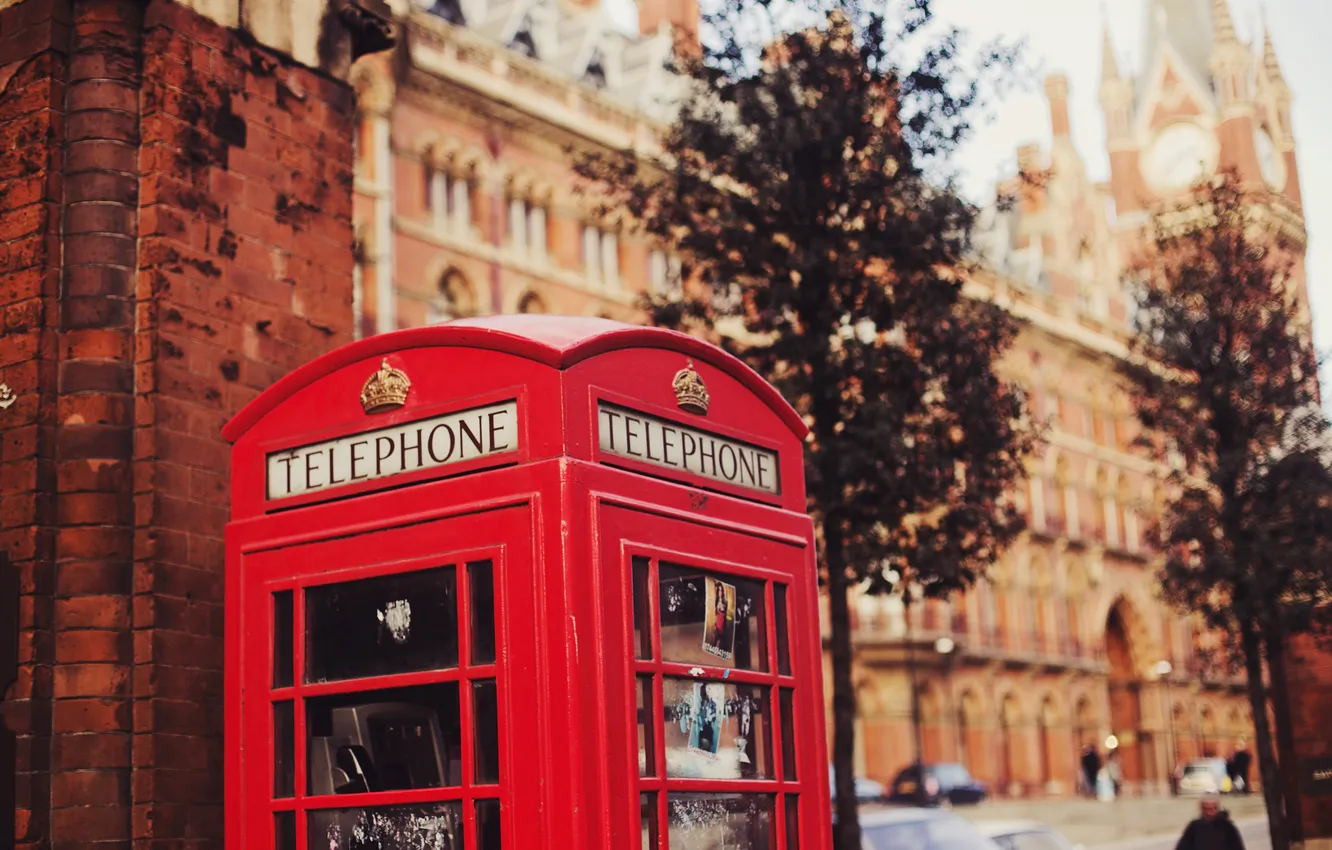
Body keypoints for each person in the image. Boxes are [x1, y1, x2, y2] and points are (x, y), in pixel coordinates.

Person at [1175, 795, 1246, 850]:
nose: (1211, 812)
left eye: (1214, 808)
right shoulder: (1194, 827)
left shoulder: (1227, 827)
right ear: (1202, 809)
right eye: (1208, 809)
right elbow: (1183, 847)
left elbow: (1237, 847)